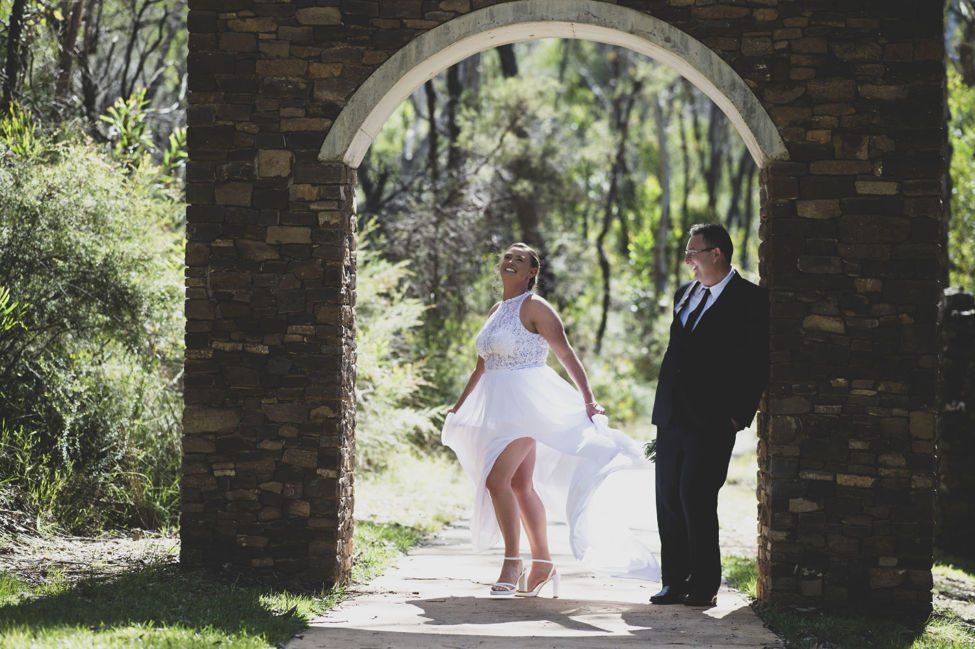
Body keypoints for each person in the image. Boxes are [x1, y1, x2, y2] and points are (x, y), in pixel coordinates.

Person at [442, 242, 659, 598]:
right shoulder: (498, 309)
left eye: (520, 259)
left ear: (532, 273)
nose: (511, 262)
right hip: (497, 409)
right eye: (508, 257)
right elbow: (483, 363)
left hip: (528, 407)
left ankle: (513, 561)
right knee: (520, 486)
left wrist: (589, 399)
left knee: (497, 482)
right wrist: (459, 405)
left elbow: (564, 353)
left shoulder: (536, 307)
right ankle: (542, 563)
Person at [649, 223, 769, 607]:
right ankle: (674, 581)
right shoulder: (684, 293)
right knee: (667, 498)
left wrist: (737, 416)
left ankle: (703, 586)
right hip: (671, 415)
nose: (687, 260)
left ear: (716, 253)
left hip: (714, 419)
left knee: (695, 497)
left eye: (693, 252)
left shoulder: (751, 299)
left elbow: (758, 362)